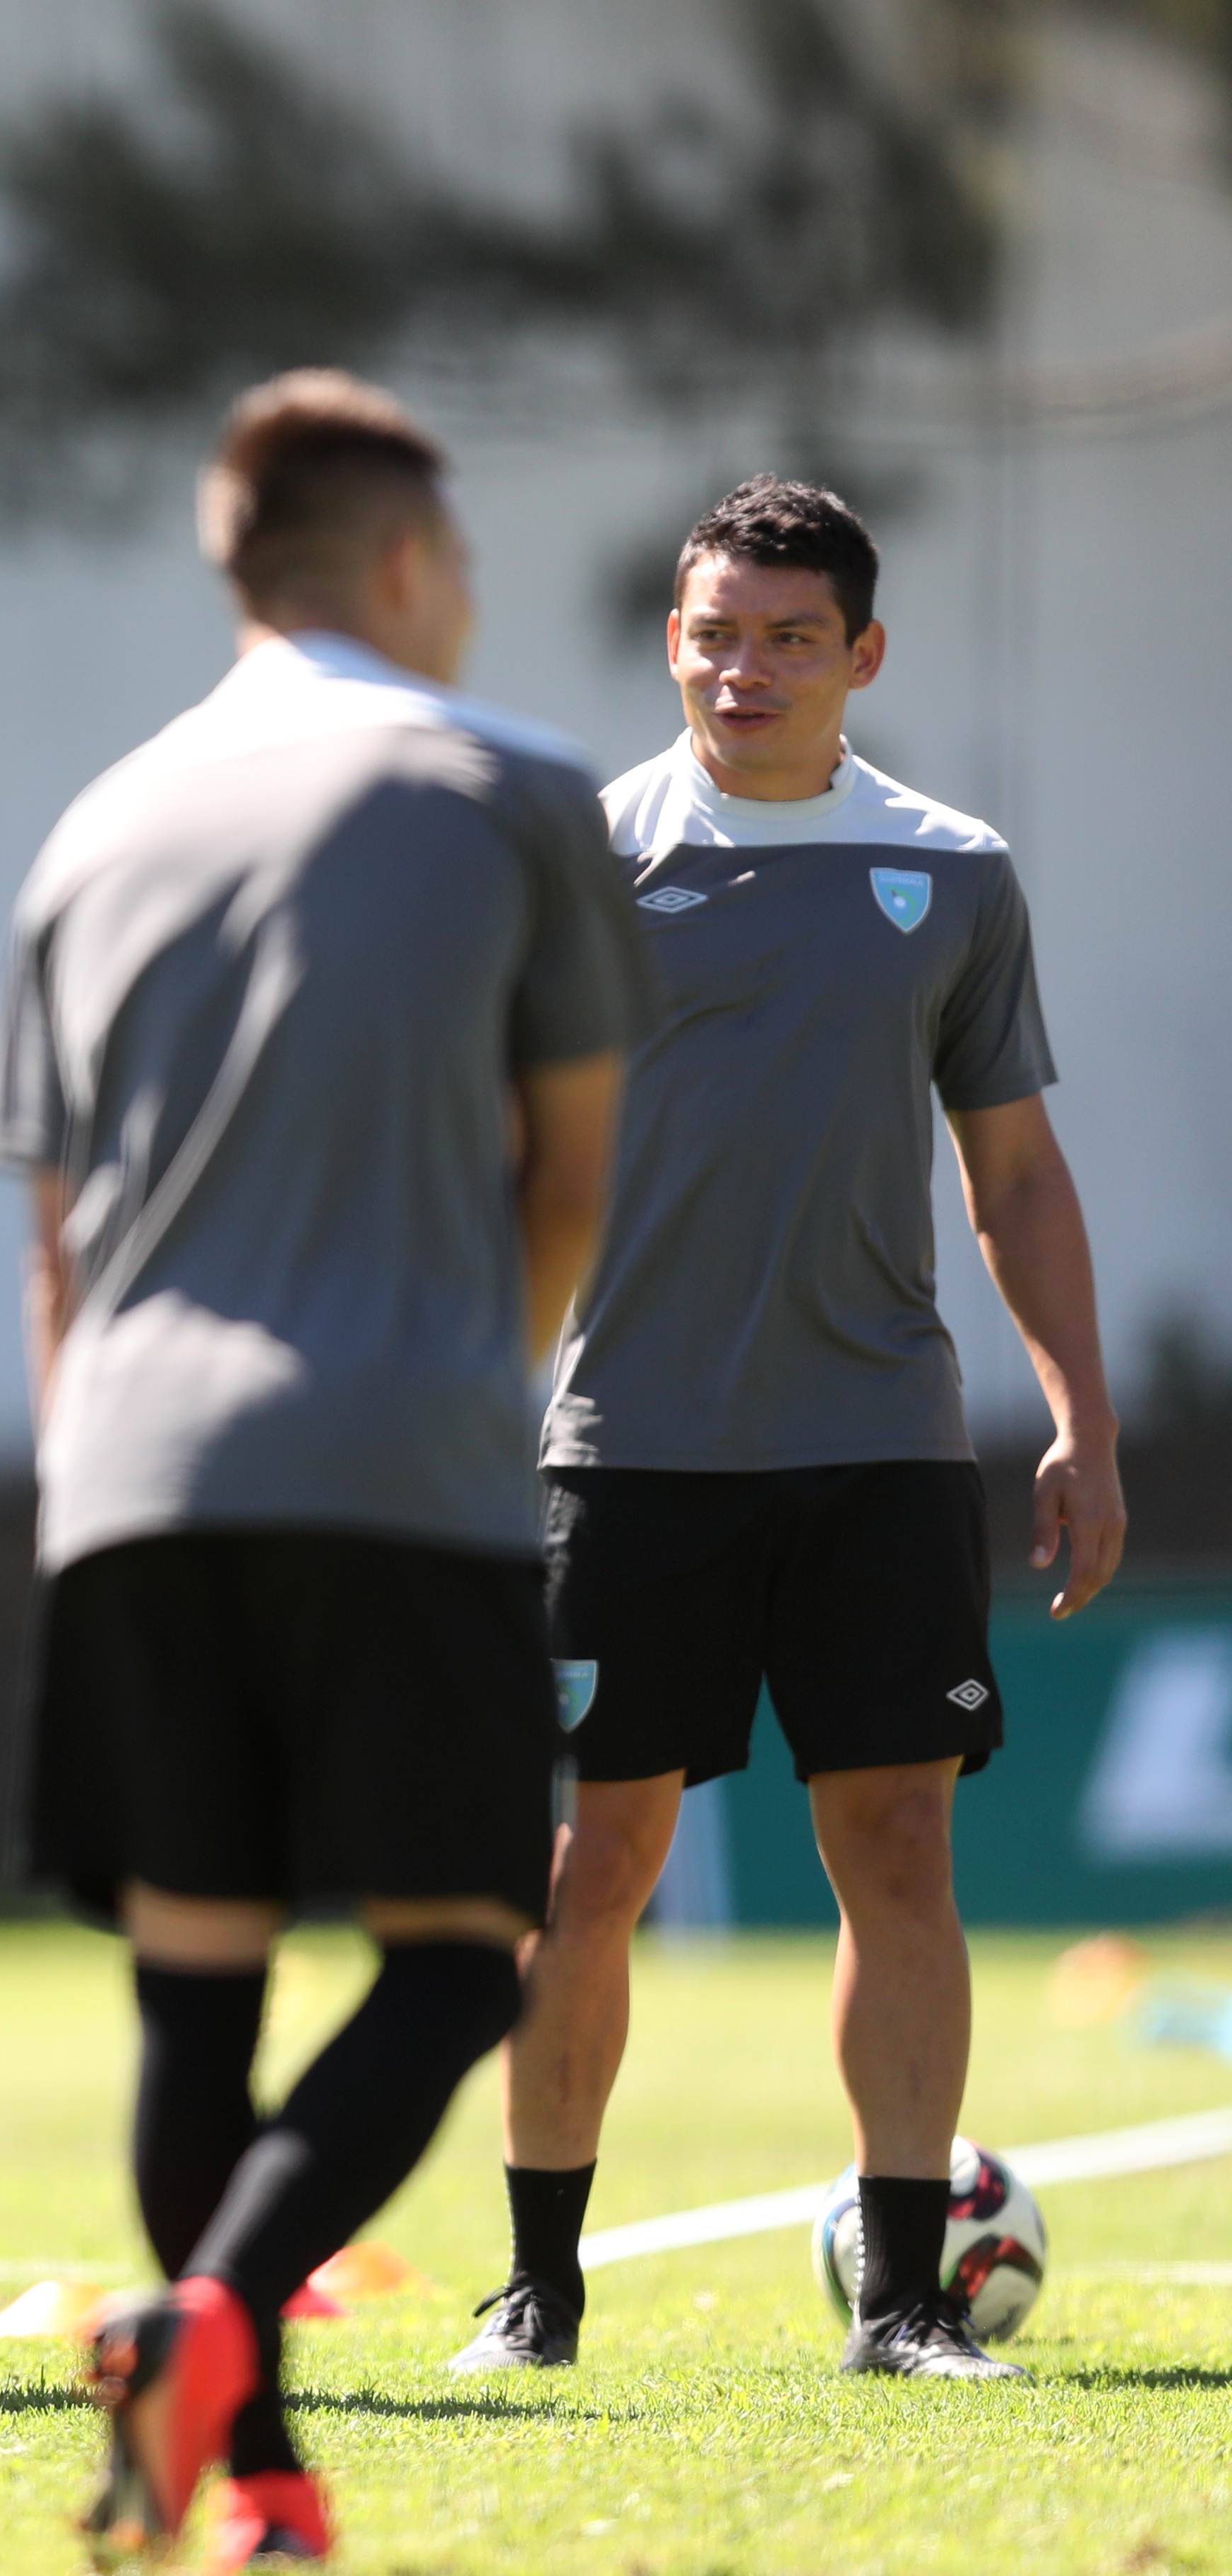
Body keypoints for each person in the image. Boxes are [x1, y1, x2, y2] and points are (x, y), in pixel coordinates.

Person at [0, 371, 639, 2568]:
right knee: (464, 1959)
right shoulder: (512, 786)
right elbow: (573, 1176)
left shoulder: (93, 822)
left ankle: (257, 2490)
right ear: (412, 564)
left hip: (133, 1483)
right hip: (397, 1453)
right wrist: (474, 1363)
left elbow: (55, 1233)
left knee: (199, 1984)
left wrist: (87, 1477)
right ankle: (218, 2322)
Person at [456, 478, 1123, 2385]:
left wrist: (1076, 1411)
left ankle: (905, 2305)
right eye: (711, 633)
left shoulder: (954, 872)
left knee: (899, 1858)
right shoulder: (577, 865)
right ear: (672, 639)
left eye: (786, 637)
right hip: (628, 1448)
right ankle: (537, 2294)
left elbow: (1016, 1174)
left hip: (876, 1454)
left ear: (864, 657)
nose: (741, 670)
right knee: (596, 1873)